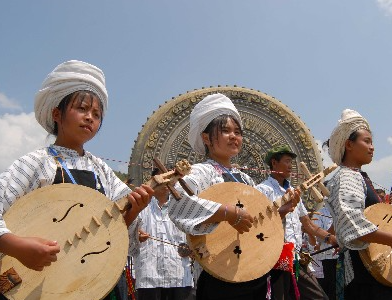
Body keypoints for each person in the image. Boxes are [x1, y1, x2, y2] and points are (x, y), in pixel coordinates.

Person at [0, 60, 153, 300]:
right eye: (82, 109)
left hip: (92, 282)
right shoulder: (36, 163)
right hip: (43, 285)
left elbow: (117, 234)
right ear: (56, 114)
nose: (90, 118)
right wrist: (16, 247)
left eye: (97, 114)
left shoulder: (102, 171)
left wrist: (133, 210)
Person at [167, 93, 296, 300]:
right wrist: (227, 212)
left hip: (251, 266)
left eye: (238, 132)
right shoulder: (200, 172)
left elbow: (255, 221)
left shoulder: (245, 179)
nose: (234, 136)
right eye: (225, 131)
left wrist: (280, 211)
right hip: (217, 272)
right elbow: (178, 203)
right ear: (206, 138)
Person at [323, 108, 392, 299]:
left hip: (373, 270)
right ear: (349, 144)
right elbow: (351, 223)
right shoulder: (347, 177)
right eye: (366, 141)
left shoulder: (359, 177)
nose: (372, 147)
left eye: (372, 142)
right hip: (365, 272)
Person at [256, 145, 336, 300]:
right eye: (286, 161)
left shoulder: (294, 191)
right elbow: (260, 226)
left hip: (296, 259)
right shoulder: (262, 190)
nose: (290, 165)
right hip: (275, 260)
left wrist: (330, 238)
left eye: (291, 162)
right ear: (274, 162)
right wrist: (285, 209)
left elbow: (308, 225)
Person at [133, 168, 193, 300]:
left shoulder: (182, 208)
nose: (166, 183)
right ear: (153, 182)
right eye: (161, 180)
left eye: (170, 180)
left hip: (179, 276)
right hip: (149, 277)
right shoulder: (140, 207)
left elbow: (194, 235)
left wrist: (193, 248)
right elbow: (127, 232)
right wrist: (136, 235)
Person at [311, 204, 338, 300]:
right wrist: (335, 223)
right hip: (327, 259)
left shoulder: (342, 209)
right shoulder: (320, 213)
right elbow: (317, 238)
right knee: (329, 292)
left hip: (342, 257)